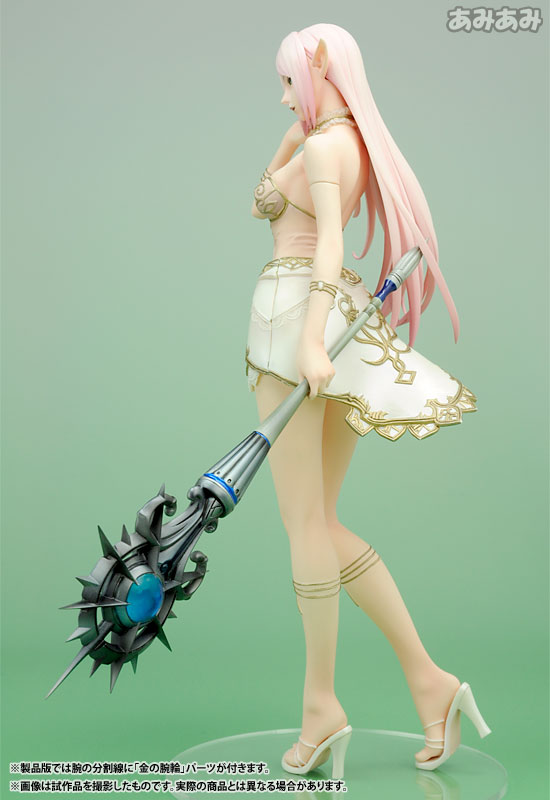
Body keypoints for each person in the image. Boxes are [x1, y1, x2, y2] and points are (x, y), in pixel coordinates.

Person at [245, 23, 490, 777]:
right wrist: (292, 135)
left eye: (290, 81)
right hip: (328, 320)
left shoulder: (327, 149)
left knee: (304, 525)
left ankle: (321, 707)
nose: (283, 96)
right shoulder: (337, 142)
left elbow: (325, 243)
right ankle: (431, 682)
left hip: (295, 321)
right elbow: (264, 201)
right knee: (322, 522)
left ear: (319, 68)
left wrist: (310, 340)